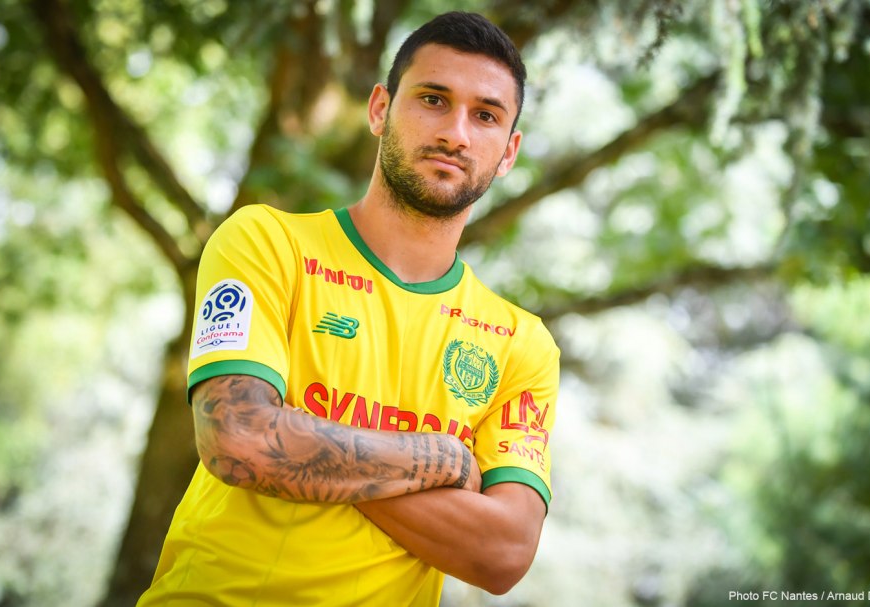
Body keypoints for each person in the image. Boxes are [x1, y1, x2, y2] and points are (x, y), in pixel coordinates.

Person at [138, 11, 560, 606]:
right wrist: (439, 458)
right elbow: (237, 438)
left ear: (509, 151)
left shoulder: (521, 343)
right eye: (433, 100)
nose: (456, 133)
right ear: (380, 109)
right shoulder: (267, 242)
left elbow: (503, 553)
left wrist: (299, 441)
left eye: (485, 115)